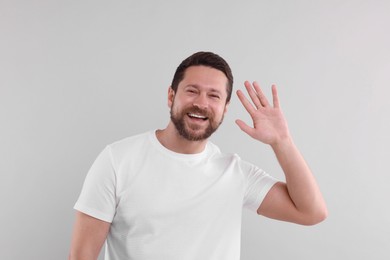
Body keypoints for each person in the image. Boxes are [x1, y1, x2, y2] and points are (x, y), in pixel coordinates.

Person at [68, 51, 327, 260]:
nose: (201, 103)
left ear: (225, 109)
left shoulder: (235, 173)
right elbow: (81, 257)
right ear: (171, 96)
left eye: (213, 96)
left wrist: (282, 142)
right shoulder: (117, 160)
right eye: (192, 91)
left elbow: (311, 212)